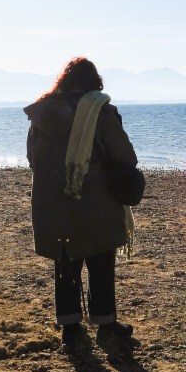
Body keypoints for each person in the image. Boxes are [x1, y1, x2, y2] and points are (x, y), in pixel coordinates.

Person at [24, 57, 139, 346]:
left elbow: (33, 159)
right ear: (94, 83)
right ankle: (106, 325)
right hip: (94, 201)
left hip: (52, 203)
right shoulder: (99, 111)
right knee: (100, 261)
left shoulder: (43, 114)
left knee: (65, 263)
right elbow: (125, 156)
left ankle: (70, 329)